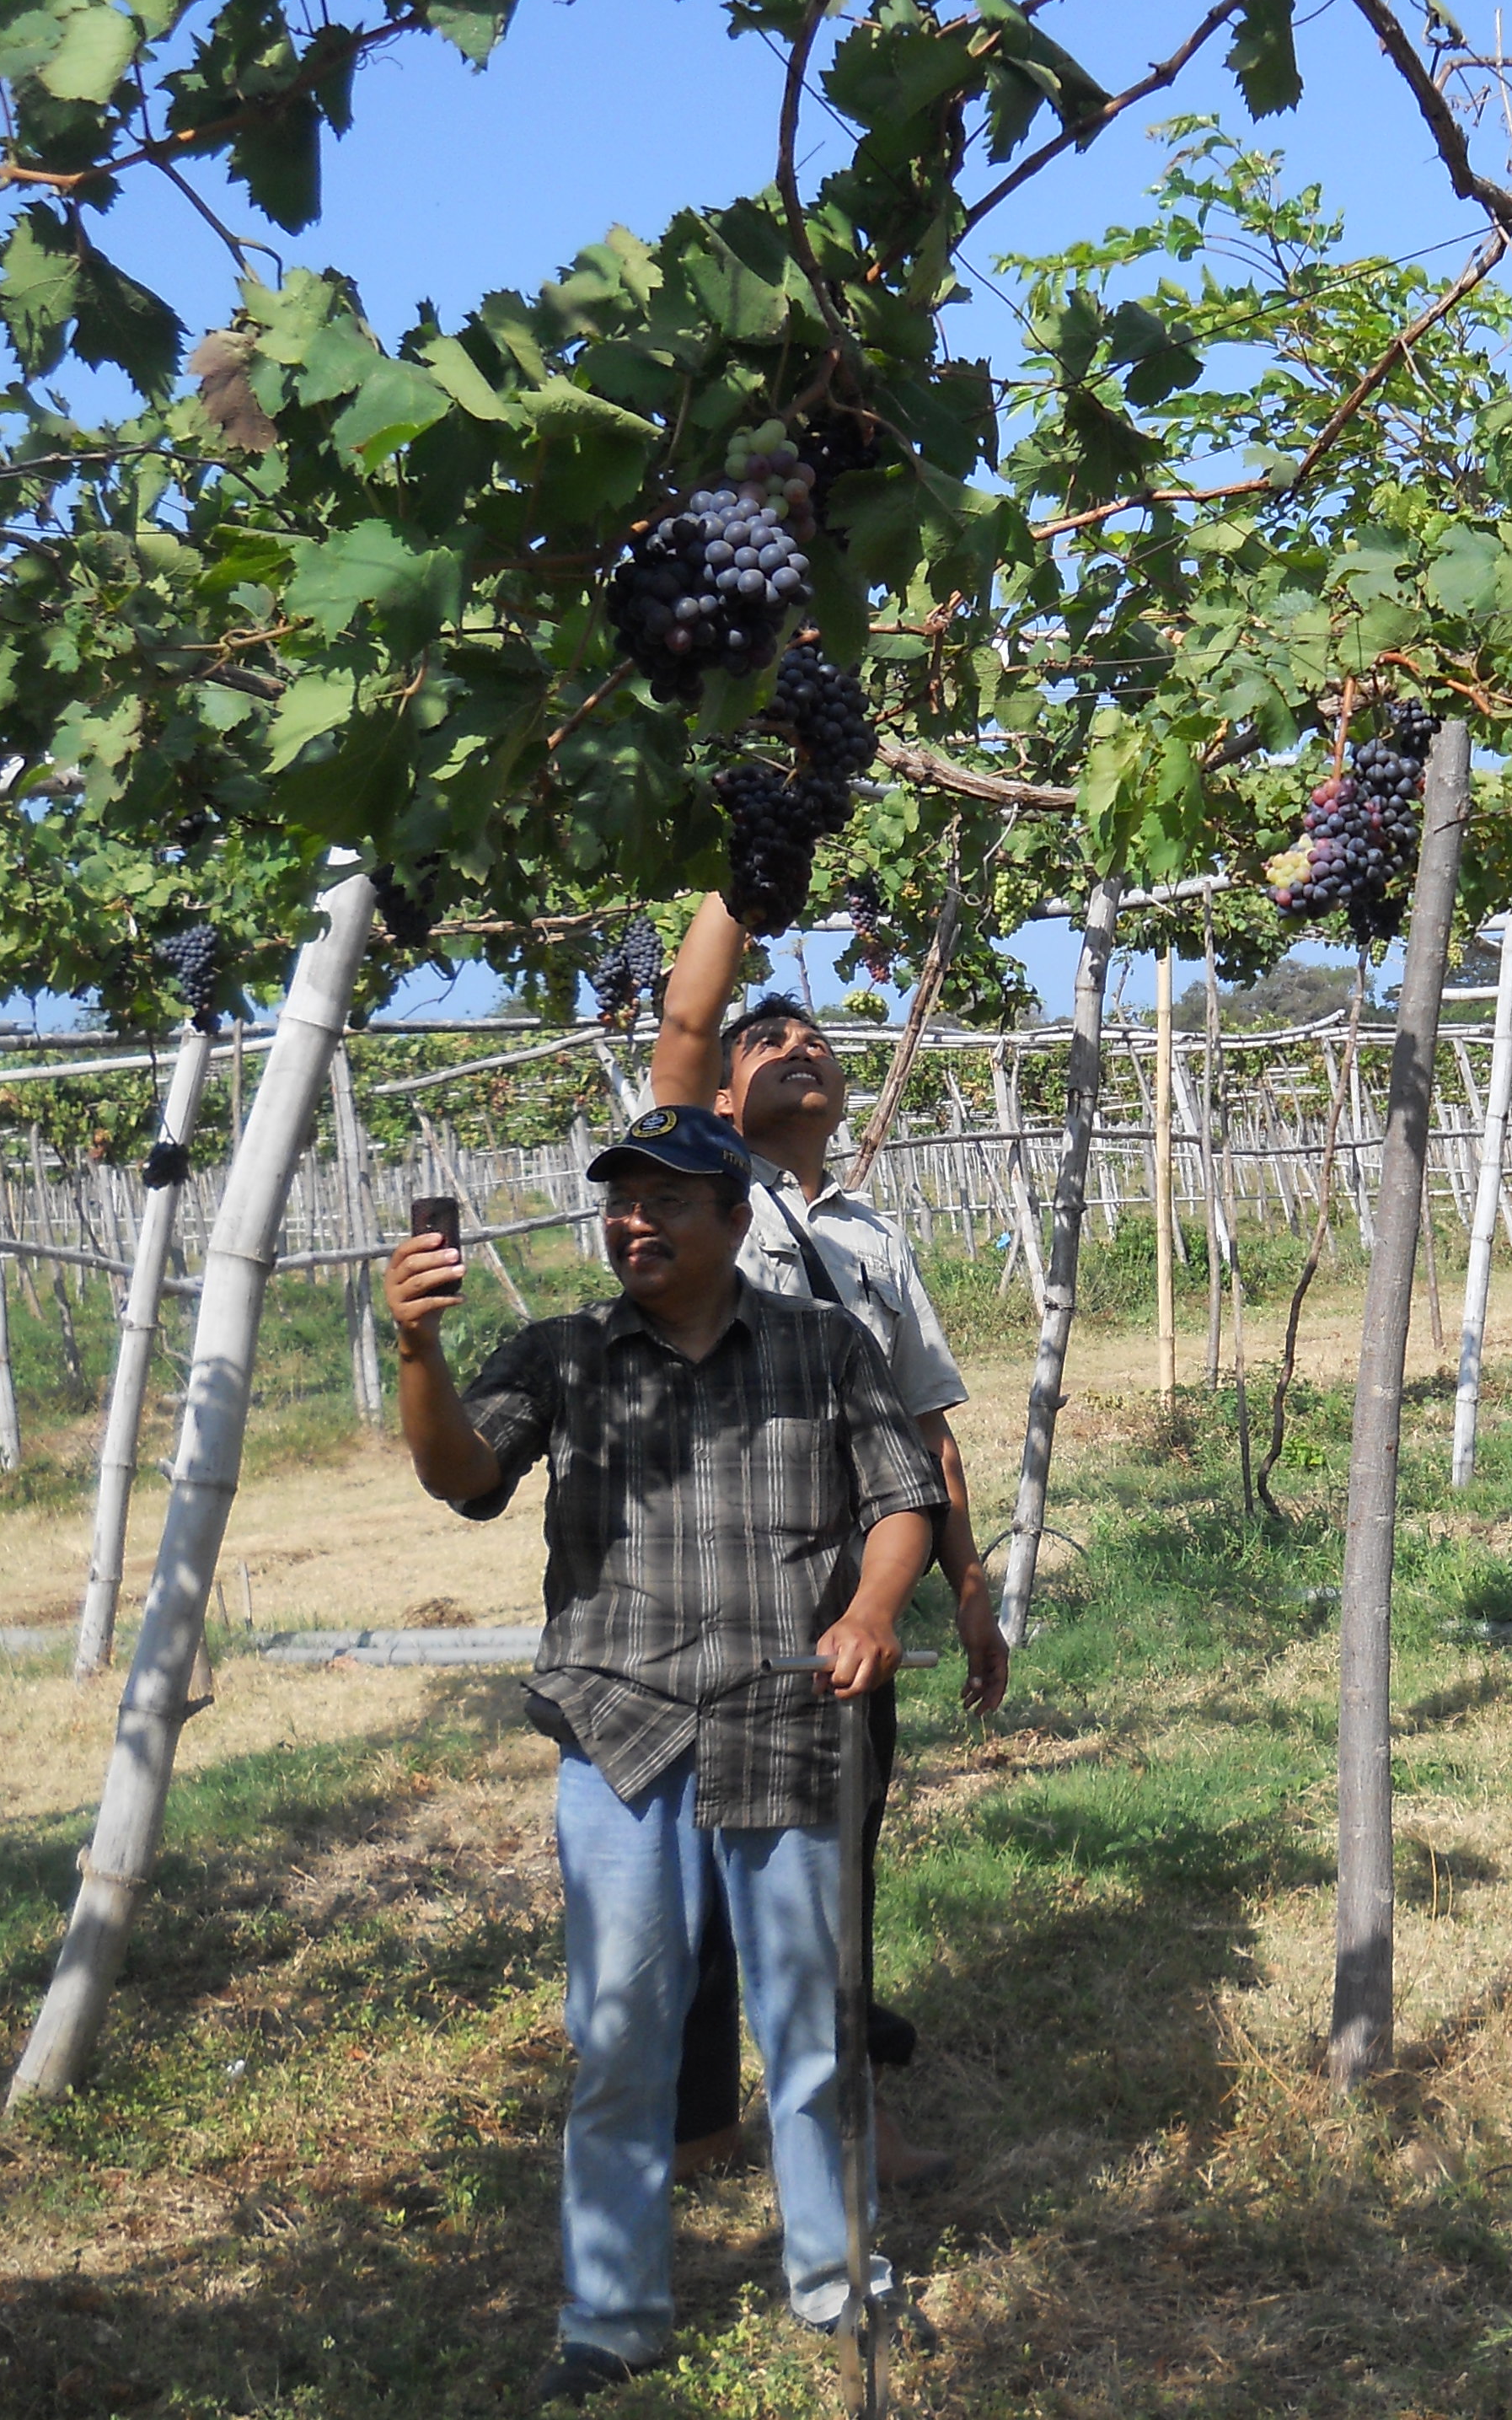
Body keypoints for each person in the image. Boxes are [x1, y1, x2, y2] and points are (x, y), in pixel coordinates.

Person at [383, 1106, 946, 2405]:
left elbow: (903, 1497)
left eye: (668, 1202)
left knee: (808, 2027)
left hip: (783, 1718)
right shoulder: (566, 1356)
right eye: (621, 1201)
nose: (635, 1221)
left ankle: (836, 2277)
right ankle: (613, 2315)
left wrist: (870, 1611)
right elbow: (461, 1474)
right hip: (621, 1733)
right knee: (621, 2033)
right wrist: (417, 1344)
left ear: (735, 1222)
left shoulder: (821, 1348)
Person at [645, 896, 1005, 2188]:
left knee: (837, 1867)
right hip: (723, 1591)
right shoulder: (699, 1190)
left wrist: (968, 1586)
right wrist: (746, 877)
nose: (795, 1039)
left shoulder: (870, 1236)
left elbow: (929, 1432)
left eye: (812, 1032)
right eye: (765, 1037)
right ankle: (697, 2132)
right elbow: (685, 1023)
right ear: (721, 1106)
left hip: (860, 1599)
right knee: (702, 1875)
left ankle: (857, 2124)